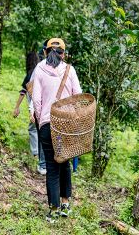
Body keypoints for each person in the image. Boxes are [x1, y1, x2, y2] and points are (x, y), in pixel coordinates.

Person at [31, 38, 82, 223]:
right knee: (65, 163)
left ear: (45, 52)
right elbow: (78, 97)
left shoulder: (39, 69)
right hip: (65, 125)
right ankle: (66, 204)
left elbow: (36, 100)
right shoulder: (70, 70)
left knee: (52, 167)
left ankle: (53, 210)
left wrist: (41, 119)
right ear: (63, 53)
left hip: (46, 124)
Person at [13, 51, 46, 175]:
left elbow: (23, 91)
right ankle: (42, 158)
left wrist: (17, 107)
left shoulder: (31, 73)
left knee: (34, 129)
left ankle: (36, 153)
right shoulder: (44, 71)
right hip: (45, 107)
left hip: (36, 107)